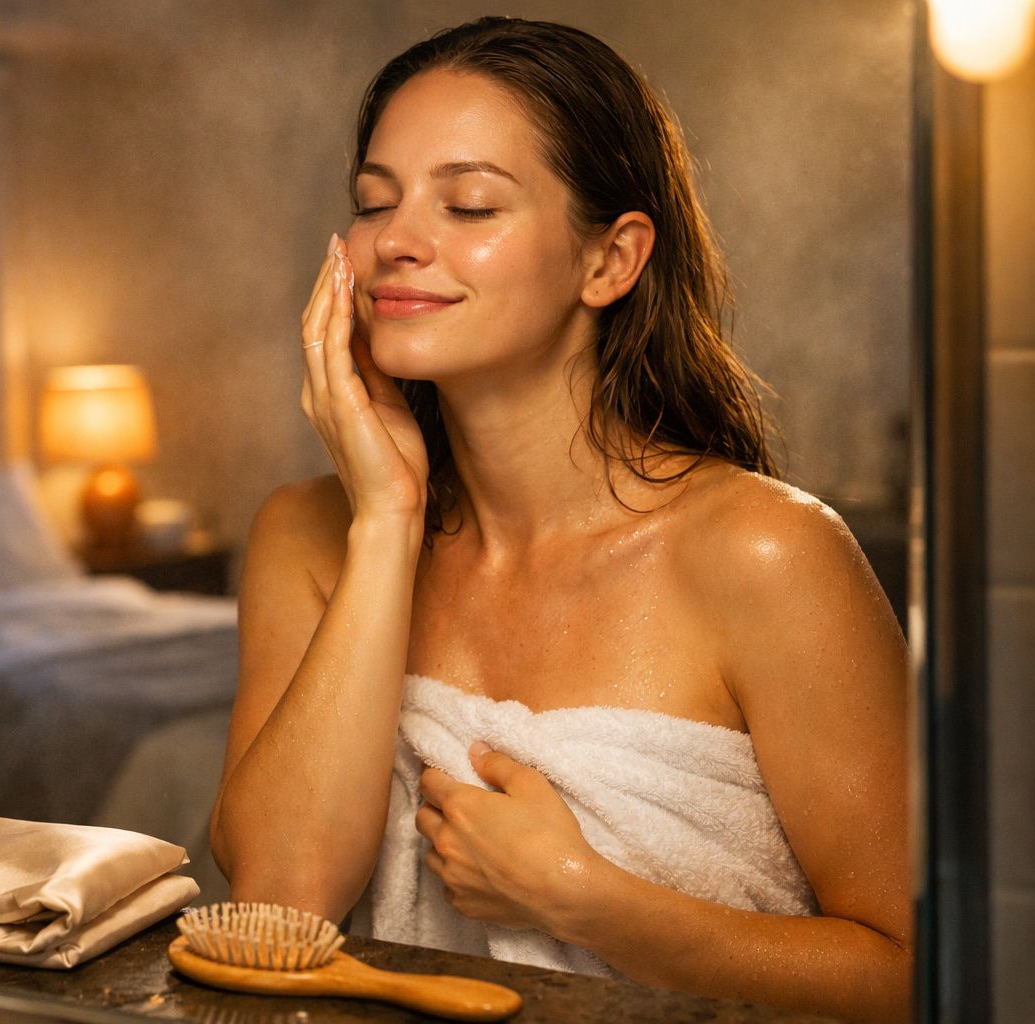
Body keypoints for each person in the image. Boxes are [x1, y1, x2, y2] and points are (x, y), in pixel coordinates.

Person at [208, 16, 910, 1024]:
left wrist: (588, 900)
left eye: (470, 203)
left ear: (610, 260)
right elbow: (280, 904)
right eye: (374, 202)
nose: (398, 241)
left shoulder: (768, 554)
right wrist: (389, 519)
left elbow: (919, 972)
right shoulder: (310, 537)